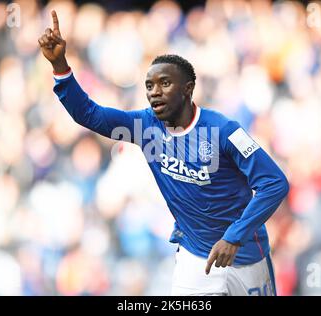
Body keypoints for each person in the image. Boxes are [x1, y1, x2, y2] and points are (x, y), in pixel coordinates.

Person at [38, 10, 289, 296]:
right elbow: (90, 114)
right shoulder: (145, 127)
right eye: (149, 86)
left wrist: (234, 236)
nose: (154, 92)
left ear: (188, 89)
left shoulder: (224, 131)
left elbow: (274, 183)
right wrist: (60, 66)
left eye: (165, 84)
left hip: (244, 256)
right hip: (196, 259)